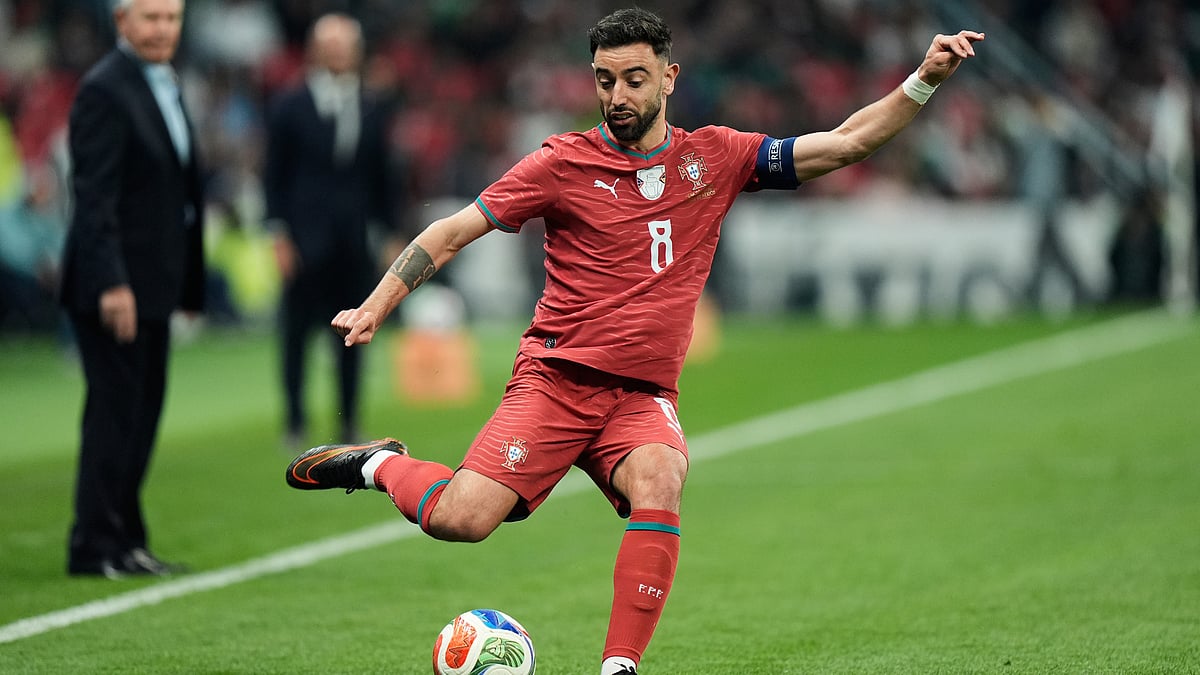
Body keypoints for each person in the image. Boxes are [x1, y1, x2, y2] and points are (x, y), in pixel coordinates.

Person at [286, 9, 983, 673]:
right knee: (462, 520)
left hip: (638, 396)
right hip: (555, 382)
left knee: (662, 477)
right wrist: (376, 304)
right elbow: (451, 231)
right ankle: (378, 464)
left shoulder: (717, 156)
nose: (616, 95)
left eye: (633, 79)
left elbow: (847, 141)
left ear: (670, 77)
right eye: (603, 79)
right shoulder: (560, 163)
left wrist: (924, 79)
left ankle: (619, 666)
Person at [59, 0, 203, 579]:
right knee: (115, 416)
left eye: (171, 17)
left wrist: (186, 285)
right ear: (122, 22)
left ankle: (125, 538)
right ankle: (92, 544)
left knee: (140, 415)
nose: (162, 28)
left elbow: (178, 198)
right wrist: (113, 282)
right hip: (115, 289)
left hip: (154, 287)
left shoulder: (163, 82)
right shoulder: (104, 89)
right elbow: (93, 197)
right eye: (150, 17)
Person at [263, 12, 400, 449]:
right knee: (296, 335)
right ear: (315, 51)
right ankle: (295, 420)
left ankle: (348, 421)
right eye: (331, 45)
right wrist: (278, 233)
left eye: (346, 45)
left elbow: (384, 175)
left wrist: (392, 231)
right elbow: (273, 176)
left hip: (353, 241)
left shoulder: (372, 104)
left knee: (353, 333)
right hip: (304, 240)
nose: (339, 53)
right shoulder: (289, 104)